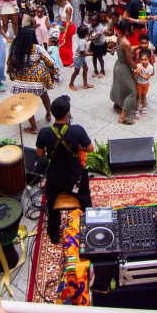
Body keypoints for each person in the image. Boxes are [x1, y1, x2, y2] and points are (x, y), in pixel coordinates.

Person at [36, 95, 95, 244]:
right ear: (68, 113)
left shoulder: (44, 132)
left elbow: (40, 153)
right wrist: (79, 146)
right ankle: (89, 229)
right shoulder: (77, 130)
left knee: (51, 202)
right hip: (75, 179)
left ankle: (54, 233)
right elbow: (91, 149)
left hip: (55, 179)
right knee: (85, 199)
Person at [6, 26, 58, 134]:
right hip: (38, 78)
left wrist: (13, 76)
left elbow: (10, 65)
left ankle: (34, 128)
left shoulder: (15, 49)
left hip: (21, 81)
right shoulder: (37, 48)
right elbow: (51, 63)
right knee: (44, 96)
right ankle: (48, 114)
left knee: (26, 104)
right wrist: (53, 75)